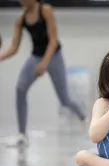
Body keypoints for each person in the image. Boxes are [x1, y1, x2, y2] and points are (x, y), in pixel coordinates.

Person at [0, 0, 86, 147]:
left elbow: (53, 40)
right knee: (20, 89)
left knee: (64, 99)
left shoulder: (45, 10)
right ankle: (22, 134)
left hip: (54, 56)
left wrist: (45, 63)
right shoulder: (21, 20)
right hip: (36, 57)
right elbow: (14, 47)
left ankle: (84, 118)